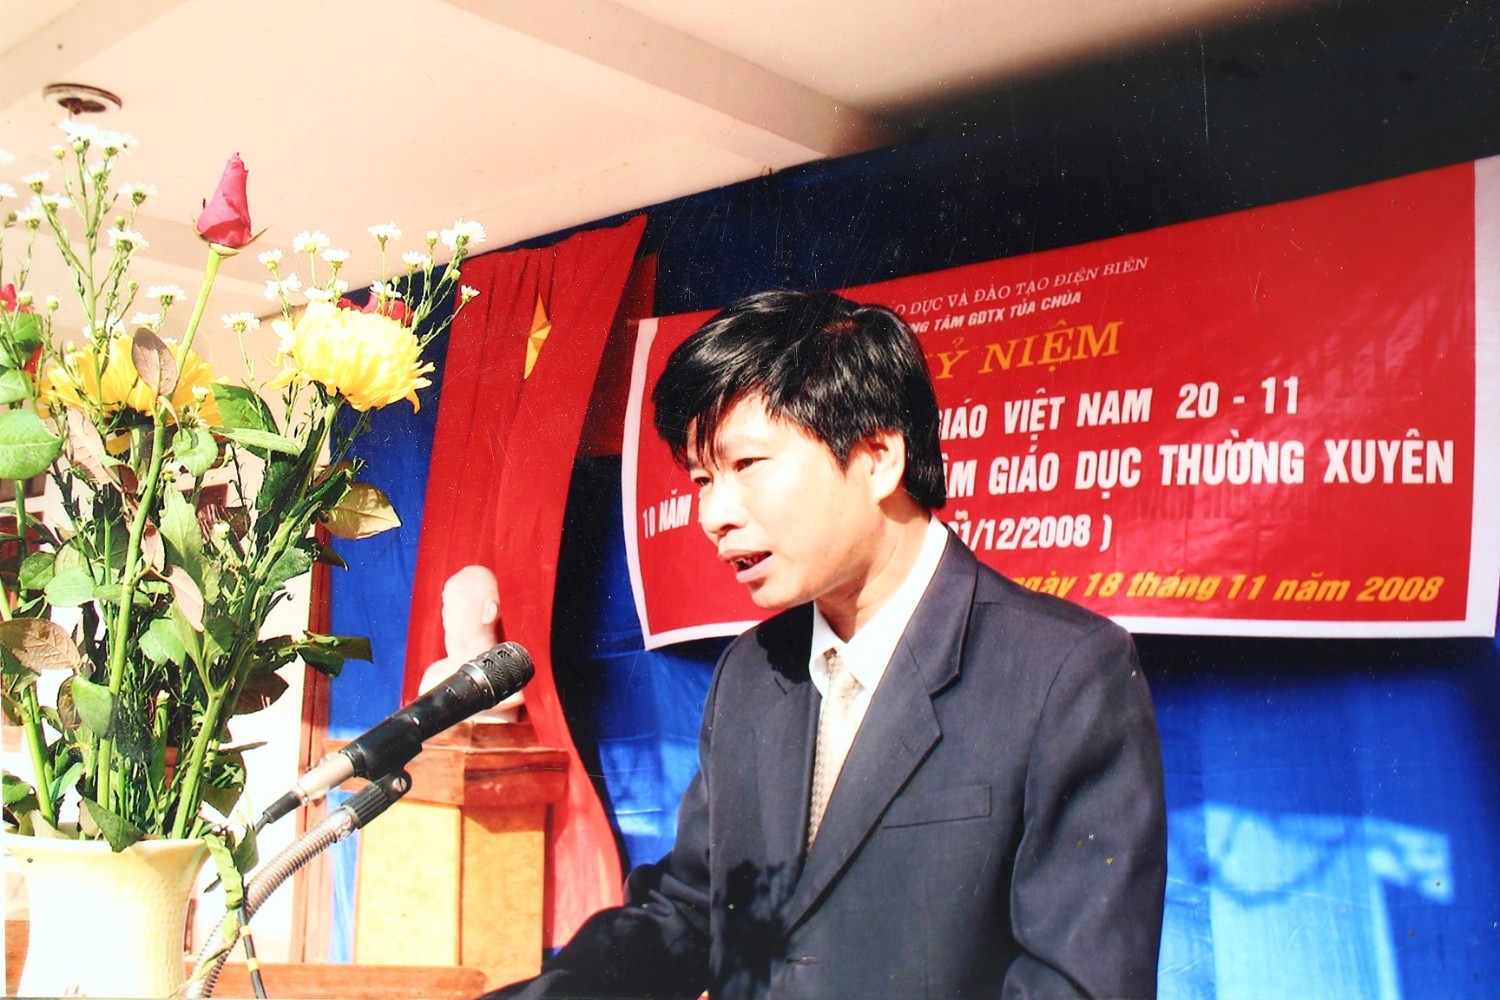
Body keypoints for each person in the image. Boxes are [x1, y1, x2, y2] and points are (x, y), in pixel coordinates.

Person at [487, 291, 1166, 999]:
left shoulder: (1064, 674)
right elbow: (690, 911)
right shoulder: (751, 672)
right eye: (702, 479)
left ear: (878, 456)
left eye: (747, 464)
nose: (713, 514)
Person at [419, 564, 523, 722]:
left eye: (458, 601)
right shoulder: (433, 676)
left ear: (488, 611)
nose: (446, 611)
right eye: (446, 602)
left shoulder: (512, 678)